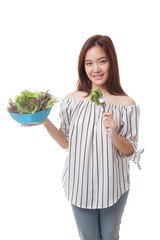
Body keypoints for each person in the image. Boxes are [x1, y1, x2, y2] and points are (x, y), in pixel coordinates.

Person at [23, 34, 144, 240]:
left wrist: (113, 134)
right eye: (89, 63)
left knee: (110, 235)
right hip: (79, 185)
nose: (95, 69)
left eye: (102, 61)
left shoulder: (126, 104)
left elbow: (130, 150)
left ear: (111, 63)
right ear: (83, 67)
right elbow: (65, 142)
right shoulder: (72, 100)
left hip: (113, 186)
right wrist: (44, 121)